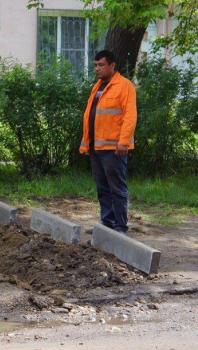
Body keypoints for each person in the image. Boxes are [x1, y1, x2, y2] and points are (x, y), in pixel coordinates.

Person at [80, 50, 137, 234]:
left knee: (117, 188)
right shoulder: (98, 86)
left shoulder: (124, 86)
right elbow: (91, 116)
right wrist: (86, 143)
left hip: (114, 148)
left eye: (101, 65)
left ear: (112, 66)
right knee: (102, 188)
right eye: (95, 65)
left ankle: (120, 226)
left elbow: (130, 116)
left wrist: (124, 142)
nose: (97, 68)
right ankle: (107, 223)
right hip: (96, 147)